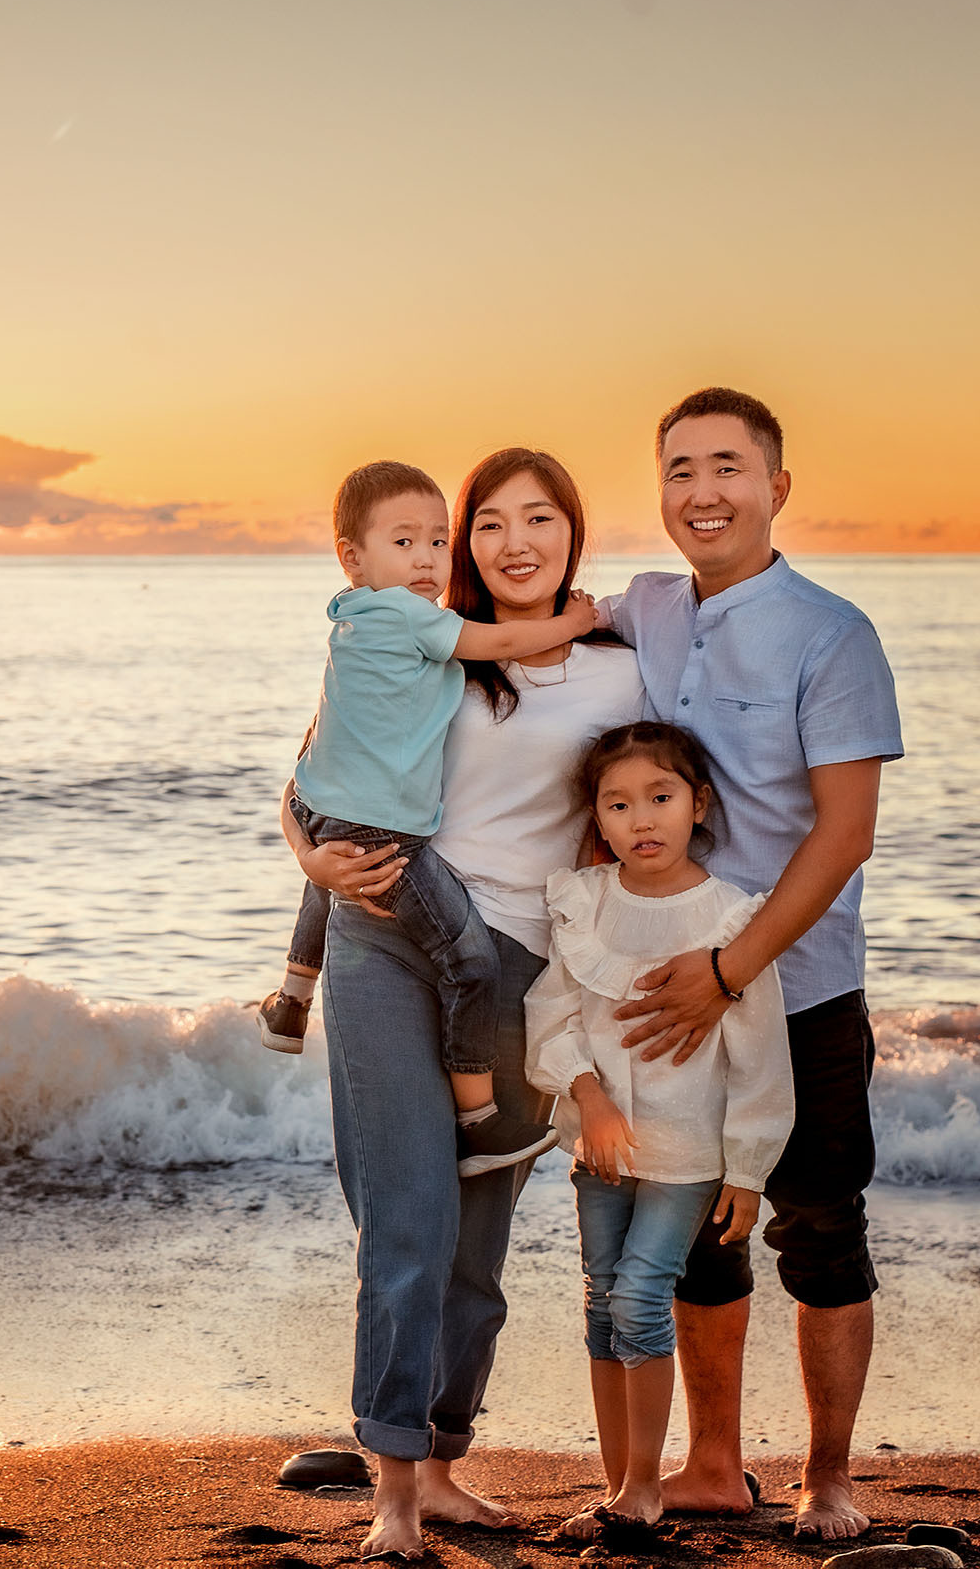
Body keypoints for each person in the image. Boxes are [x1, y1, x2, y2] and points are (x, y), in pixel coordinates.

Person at [282, 449, 643, 1559]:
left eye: (540, 519)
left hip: (523, 972)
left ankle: (440, 1463)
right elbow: (312, 766)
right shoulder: (420, 639)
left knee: (474, 1250)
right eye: (488, 522)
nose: (511, 541)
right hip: (388, 937)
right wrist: (310, 857)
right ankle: (390, 1489)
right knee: (407, 1221)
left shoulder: (621, 664)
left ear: (573, 535)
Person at [600, 388, 904, 1541]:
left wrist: (729, 967)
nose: (701, 491)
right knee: (692, 1224)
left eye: (726, 467)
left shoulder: (832, 632)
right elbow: (516, 637)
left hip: (798, 985)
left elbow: (843, 834)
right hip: (667, 993)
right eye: (679, 469)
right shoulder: (644, 610)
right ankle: (712, 1463)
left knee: (817, 1224)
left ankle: (826, 1474)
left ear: (777, 486)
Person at [260, 460, 601, 1175]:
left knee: (330, 876)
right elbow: (501, 644)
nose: (425, 560)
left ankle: (291, 998)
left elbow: (317, 751)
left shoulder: (352, 621)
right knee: (468, 961)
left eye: (434, 543)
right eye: (404, 543)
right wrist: (577, 618)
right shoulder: (417, 622)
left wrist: (304, 841)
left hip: (326, 804)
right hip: (384, 844)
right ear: (353, 557)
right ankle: (477, 1121)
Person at [524, 722, 794, 1539]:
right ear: (597, 819)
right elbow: (550, 1013)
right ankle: (618, 1490)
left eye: (660, 798)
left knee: (642, 1295)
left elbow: (758, 1063)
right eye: (618, 803)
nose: (641, 819)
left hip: (683, 1156)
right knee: (600, 1302)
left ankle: (644, 1484)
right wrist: (589, 1098)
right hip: (598, 1146)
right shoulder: (584, 901)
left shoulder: (728, 921)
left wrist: (746, 1173)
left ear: (697, 804)